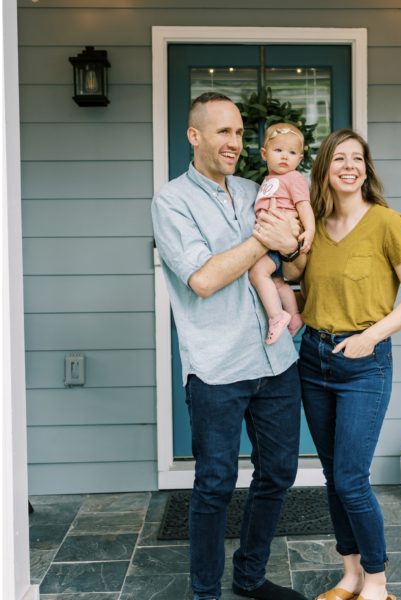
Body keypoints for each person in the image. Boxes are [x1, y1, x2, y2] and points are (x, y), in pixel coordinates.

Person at [151, 91, 308, 600]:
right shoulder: (172, 200)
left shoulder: (255, 188)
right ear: (194, 136)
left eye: (240, 133)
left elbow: (291, 261)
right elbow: (202, 278)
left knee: (279, 472)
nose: (235, 143)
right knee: (215, 483)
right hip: (217, 365)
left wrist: (293, 250)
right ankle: (205, 593)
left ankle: (249, 576)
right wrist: (266, 241)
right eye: (223, 132)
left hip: (275, 359)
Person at [290, 129, 401, 600]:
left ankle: (376, 580)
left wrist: (369, 339)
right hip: (313, 358)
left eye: (358, 158)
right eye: (339, 158)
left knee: (352, 478)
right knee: (334, 476)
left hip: (364, 364)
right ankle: (349, 574)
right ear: (324, 168)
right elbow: (299, 284)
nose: (349, 166)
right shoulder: (313, 228)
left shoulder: (387, 223)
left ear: (366, 169)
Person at [249, 123, 315, 345]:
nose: (285, 157)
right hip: (271, 241)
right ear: (264, 154)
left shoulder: (294, 178)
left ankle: (277, 316)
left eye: (292, 152)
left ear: (300, 158)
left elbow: (303, 205)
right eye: (278, 151)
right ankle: (295, 316)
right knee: (278, 282)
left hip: (277, 241)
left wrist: (310, 230)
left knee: (258, 273)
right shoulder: (268, 180)